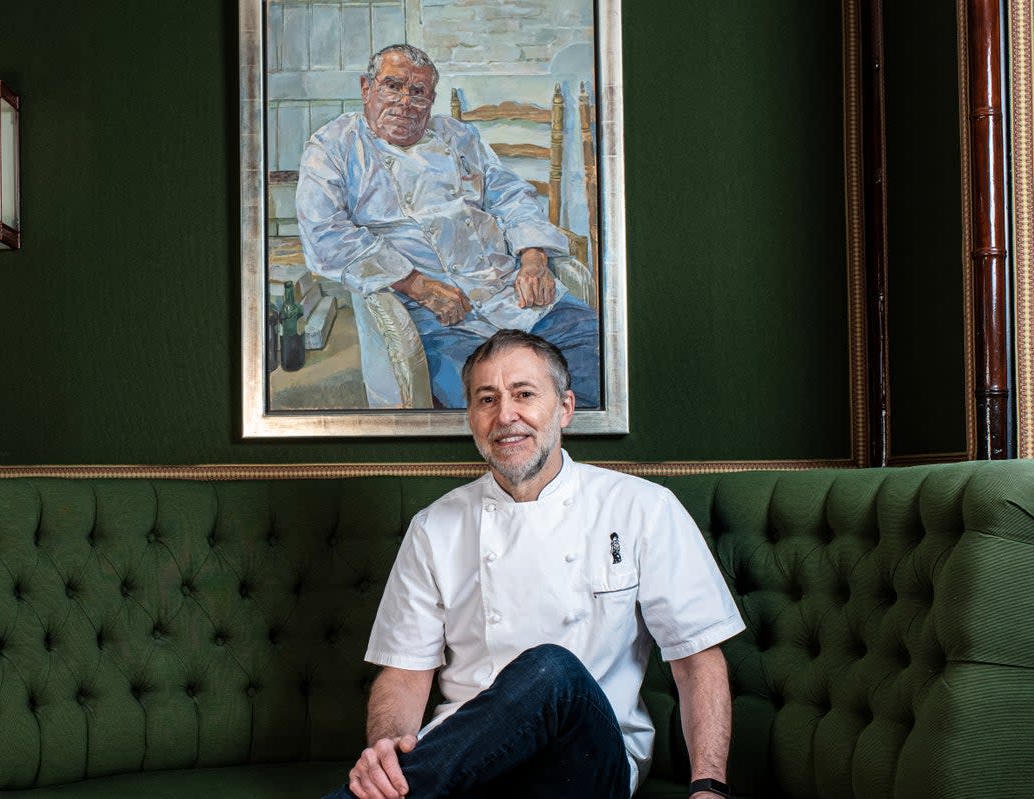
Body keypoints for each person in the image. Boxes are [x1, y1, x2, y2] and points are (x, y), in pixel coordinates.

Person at [323, 330, 745, 799]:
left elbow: (696, 659)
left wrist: (709, 787)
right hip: (468, 762)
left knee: (552, 669)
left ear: (564, 407)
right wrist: (385, 752)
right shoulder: (435, 527)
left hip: (587, 763)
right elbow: (404, 671)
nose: (506, 416)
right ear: (471, 417)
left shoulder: (642, 508)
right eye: (487, 399)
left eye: (524, 394)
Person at [295, 44, 601, 409]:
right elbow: (325, 235)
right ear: (366, 87)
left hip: (510, 294)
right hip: (437, 320)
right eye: (392, 86)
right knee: (503, 411)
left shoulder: (457, 136)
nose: (405, 102)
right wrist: (417, 285)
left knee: (600, 367)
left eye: (418, 92)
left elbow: (511, 195)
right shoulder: (333, 147)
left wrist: (533, 257)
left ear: (432, 98)